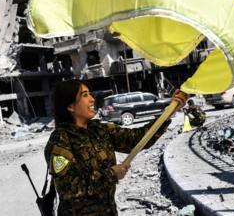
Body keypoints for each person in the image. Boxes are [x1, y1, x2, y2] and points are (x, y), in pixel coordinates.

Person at [45, 80, 186, 215]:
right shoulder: (60, 140)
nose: (92, 99)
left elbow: (137, 138)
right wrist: (111, 174)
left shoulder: (99, 129)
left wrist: (169, 112)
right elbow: (67, 188)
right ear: (70, 106)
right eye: (85, 95)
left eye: (90, 94)